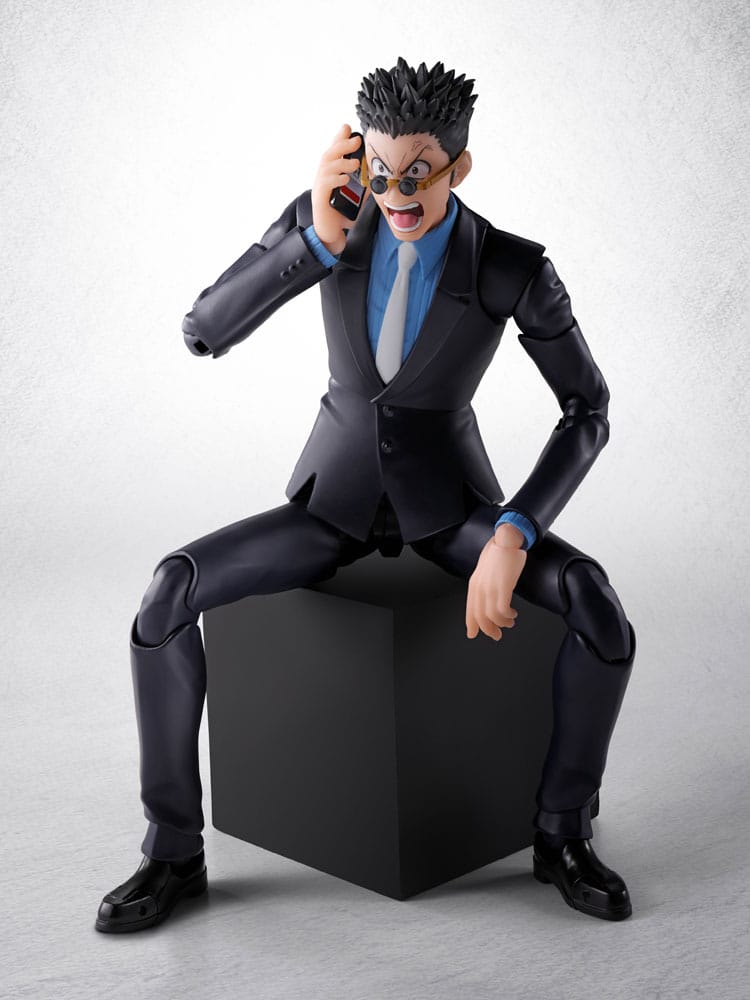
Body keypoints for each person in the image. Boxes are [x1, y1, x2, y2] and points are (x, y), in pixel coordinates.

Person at [96, 58, 636, 933]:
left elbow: (588, 409)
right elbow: (202, 331)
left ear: (459, 167)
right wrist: (310, 241)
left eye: (416, 174)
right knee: (167, 592)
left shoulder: (509, 267)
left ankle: (562, 831)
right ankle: (172, 850)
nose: (395, 195)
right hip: (331, 502)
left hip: (450, 507)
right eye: (380, 172)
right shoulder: (331, 222)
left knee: (597, 605)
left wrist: (515, 530)